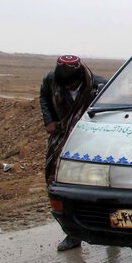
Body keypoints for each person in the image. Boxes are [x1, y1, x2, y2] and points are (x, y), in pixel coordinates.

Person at [39, 55, 108, 251]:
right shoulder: (51, 79)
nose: (68, 88)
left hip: (91, 143)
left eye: (72, 85)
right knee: (60, 185)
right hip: (61, 139)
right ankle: (73, 234)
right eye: (65, 86)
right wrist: (49, 120)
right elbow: (44, 96)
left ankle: (109, 229)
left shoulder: (99, 86)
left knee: (96, 186)